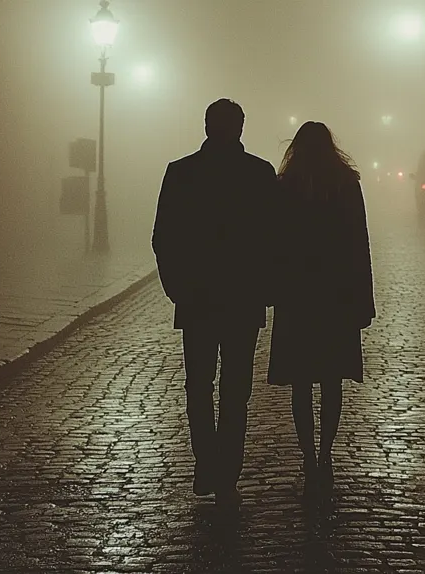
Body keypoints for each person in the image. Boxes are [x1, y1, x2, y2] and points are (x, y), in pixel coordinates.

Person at [151, 99, 277, 507]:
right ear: (241, 128)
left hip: (198, 298)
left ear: (206, 126)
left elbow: (163, 236)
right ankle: (227, 475)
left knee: (199, 386)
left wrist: (176, 288)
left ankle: (207, 464)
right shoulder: (259, 174)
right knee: (235, 390)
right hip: (242, 299)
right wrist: (266, 289)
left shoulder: (182, 172)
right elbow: (275, 241)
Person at [267, 121, 375, 500]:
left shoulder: (285, 188)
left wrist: (272, 290)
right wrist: (365, 300)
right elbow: (359, 245)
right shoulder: (346, 187)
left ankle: (309, 456)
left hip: (298, 296)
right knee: (331, 381)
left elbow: (274, 244)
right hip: (337, 295)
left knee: (301, 383)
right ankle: (326, 453)